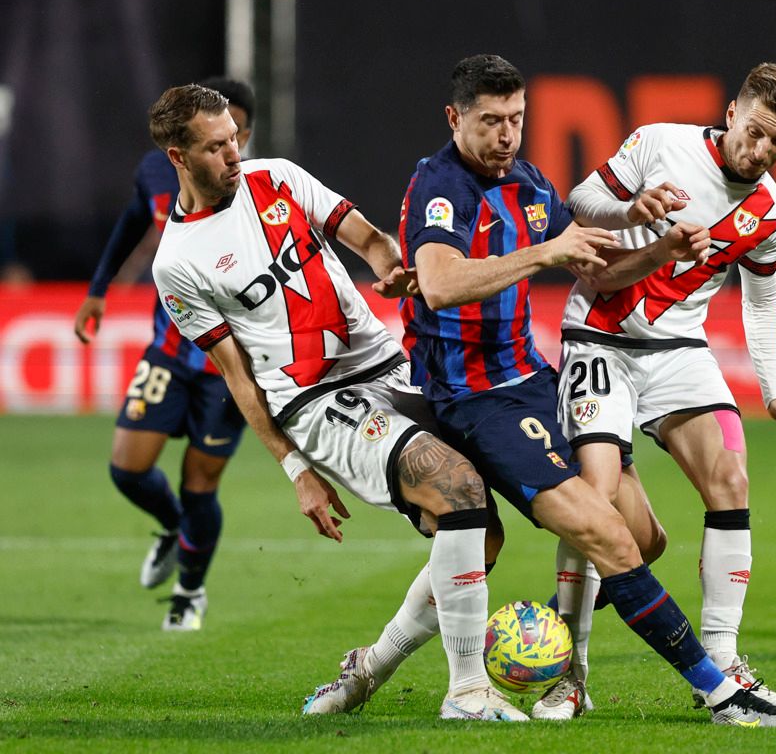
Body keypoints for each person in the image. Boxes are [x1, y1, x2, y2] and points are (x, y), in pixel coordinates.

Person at [355, 53, 776, 728]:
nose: (507, 134)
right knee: (604, 534)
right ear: (456, 118)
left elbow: (597, 257)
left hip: (534, 378)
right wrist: (557, 247)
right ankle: (711, 689)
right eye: (491, 121)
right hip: (475, 394)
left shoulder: (532, 185)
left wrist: (654, 247)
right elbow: (443, 284)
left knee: (642, 539)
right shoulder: (439, 184)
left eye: (517, 119)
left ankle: (372, 664)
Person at [147, 83, 528, 722]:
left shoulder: (280, 178)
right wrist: (298, 472)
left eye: (235, 138)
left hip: (385, 363)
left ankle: (369, 669)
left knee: (478, 534)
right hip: (315, 398)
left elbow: (370, 239)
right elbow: (240, 379)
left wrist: (391, 265)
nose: (234, 154)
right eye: (215, 147)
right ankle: (466, 692)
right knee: (457, 486)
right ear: (178, 158)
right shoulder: (177, 263)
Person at [560, 62, 776, 710]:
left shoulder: (771, 212)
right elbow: (579, 200)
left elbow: (761, 302)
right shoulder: (663, 144)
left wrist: (775, 393)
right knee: (598, 502)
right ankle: (570, 674)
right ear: (734, 110)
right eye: (758, 132)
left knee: (732, 481)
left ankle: (721, 663)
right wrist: (633, 207)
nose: (763, 151)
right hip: (599, 334)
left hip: (679, 346)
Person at [73, 77, 255, 631]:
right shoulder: (156, 175)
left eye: (240, 135)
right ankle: (177, 531)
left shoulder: (257, 192)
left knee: (201, 485)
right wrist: (99, 289)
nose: (233, 149)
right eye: (221, 135)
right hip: (170, 352)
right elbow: (135, 218)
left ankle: (189, 592)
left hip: (228, 370)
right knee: (127, 470)